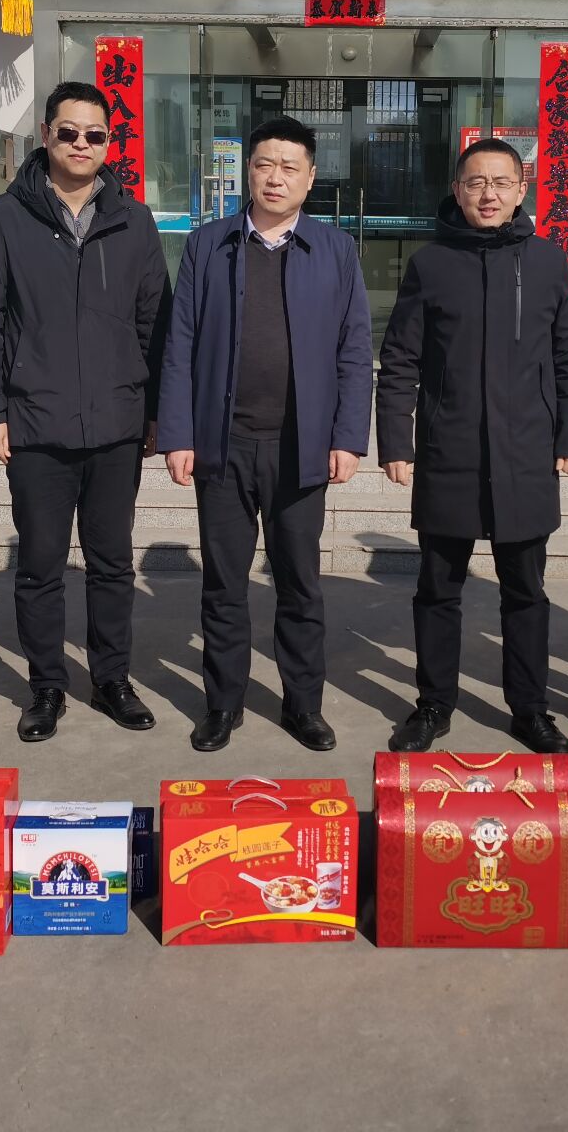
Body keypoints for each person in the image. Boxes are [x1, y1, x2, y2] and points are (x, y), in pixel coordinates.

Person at [0, 81, 170, 743]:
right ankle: (46, 686)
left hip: (115, 423)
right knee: (41, 565)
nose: (82, 144)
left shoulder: (133, 220)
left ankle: (112, 679)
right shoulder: (2, 220)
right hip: (35, 422)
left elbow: (154, 323)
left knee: (112, 563)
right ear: (46, 135)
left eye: (95, 135)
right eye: (69, 132)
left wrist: (155, 411)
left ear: (109, 143)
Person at [160, 116, 373, 753]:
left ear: (310, 178)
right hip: (224, 444)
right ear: (247, 171)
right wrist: (178, 432)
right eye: (264, 164)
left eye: (289, 167)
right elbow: (180, 342)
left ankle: (303, 705)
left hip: (299, 447)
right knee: (224, 584)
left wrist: (347, 436)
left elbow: (354, 348)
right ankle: (222, 704)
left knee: (299, 583)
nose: (275, 178)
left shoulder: (335, 249)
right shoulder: (209, 244)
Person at [377, 138, 568, 755]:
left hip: (526, 453)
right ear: (457, 190)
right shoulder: (431, 263)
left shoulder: (546, 261)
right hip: (450, 452)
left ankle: (530, 708)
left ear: (522, 190)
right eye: (476, 183)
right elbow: (401, 358)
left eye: (501, 183)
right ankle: (433, 704)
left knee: (525, 592)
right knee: (437, 590)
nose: (488, 194)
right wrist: (396, 440)